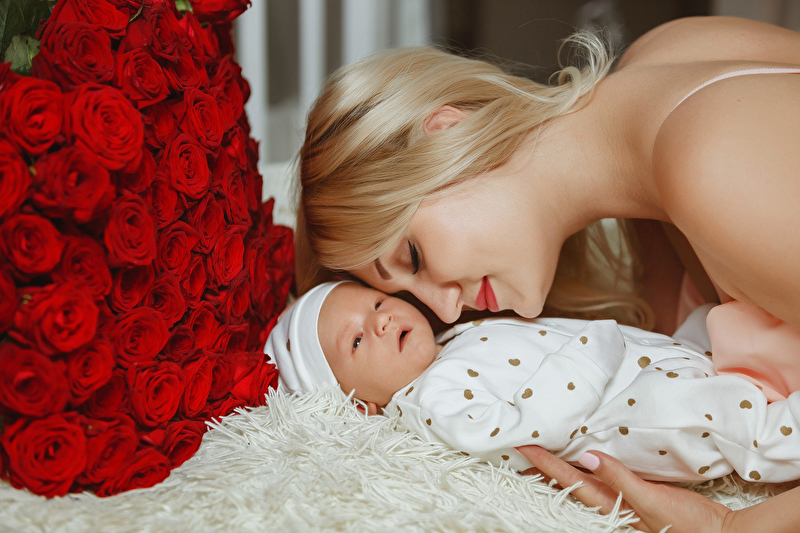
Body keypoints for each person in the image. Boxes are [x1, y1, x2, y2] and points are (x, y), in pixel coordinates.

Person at [294, 15, 800, 532]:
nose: (444, 308)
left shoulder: (707, 166)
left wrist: (734, 527)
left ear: (449, 130)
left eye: (413, 256)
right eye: (406, 296)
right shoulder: (666, 57)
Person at [265, 280, 800, 484]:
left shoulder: (451, 340)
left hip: (650, 360)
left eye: (377, 303)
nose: (381, 321)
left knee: (715, 321)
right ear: (358, 405)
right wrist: (590, 357)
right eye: (358, 341)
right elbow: (521, 431)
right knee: (738, 425)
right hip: (641, 415)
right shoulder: (429, 403)